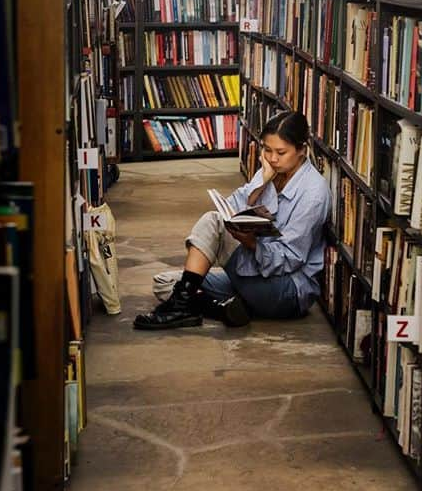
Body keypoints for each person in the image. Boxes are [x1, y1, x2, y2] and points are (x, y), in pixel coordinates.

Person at [133, 109, 331, 330]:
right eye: (267, 150)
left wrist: (251, 244)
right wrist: (262, 183)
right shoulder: (271, 171)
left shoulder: (313, 194)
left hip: (287, 290)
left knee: (213, 222)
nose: (273, 159)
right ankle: (221, 309)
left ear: (302, 150)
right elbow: (231, 207)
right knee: (164, 283)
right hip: (256, 274)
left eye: (281, 152)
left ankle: (182, 308)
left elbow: (291, 258)